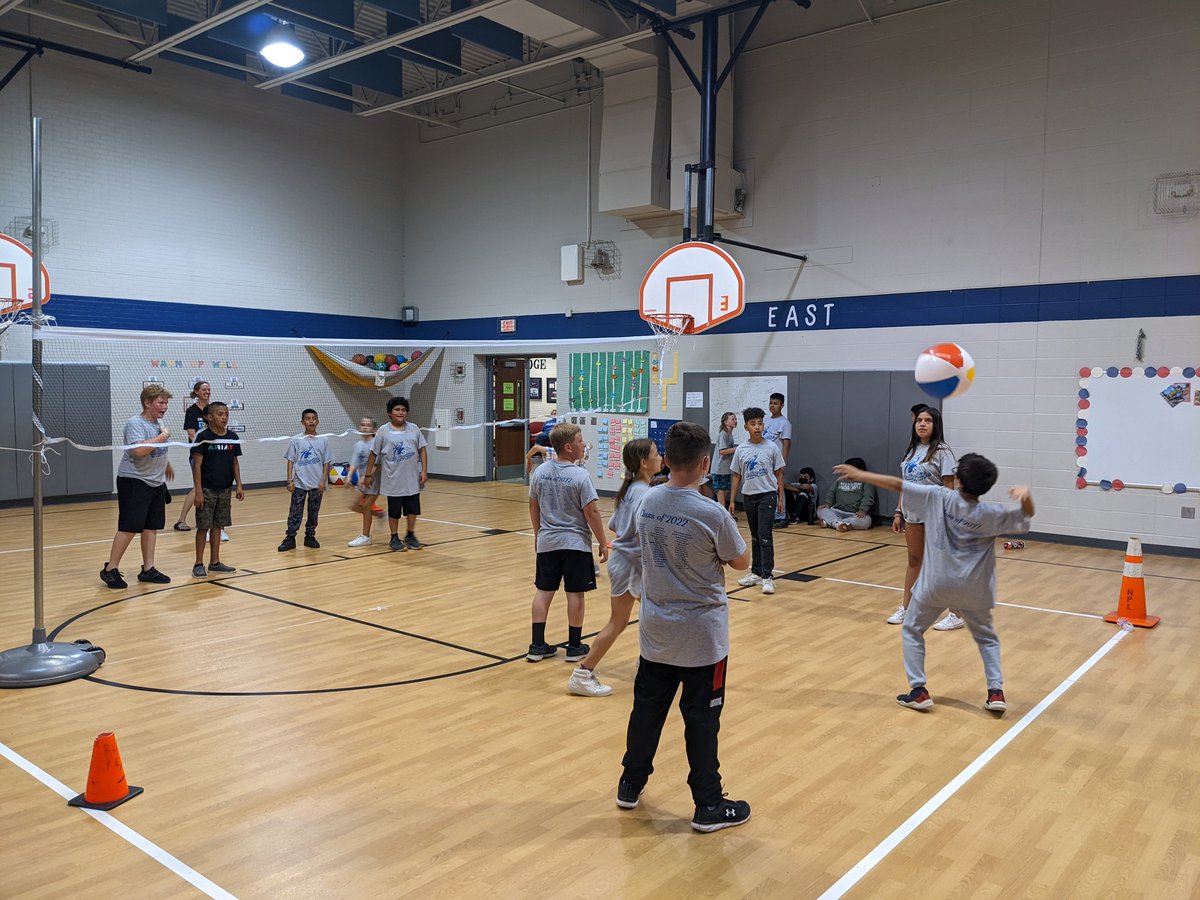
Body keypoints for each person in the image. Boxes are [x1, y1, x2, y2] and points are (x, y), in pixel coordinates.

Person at [616, 421, 752, 832]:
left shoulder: (648, 500)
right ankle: (708, 804)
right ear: (705, 462)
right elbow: (742, 562)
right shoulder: (710, 513)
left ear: (668, 459)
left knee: (646, 712)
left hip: (656, 631)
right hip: (701, 639)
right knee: (702, 721)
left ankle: (630, 783)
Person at [832, 454, 1034, 714]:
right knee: (987, 639)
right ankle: (996, 692)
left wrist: (861, 475)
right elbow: (1027, 515)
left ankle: (918, 691)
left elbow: (898, 485)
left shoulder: (939, 496)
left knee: (913, 630)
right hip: (975, 589)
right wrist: (1026, 496)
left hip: (935, 584)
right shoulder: (991, 514)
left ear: (958, 480)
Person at [567, 437, 661, 697]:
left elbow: (614, 526)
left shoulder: (632, 489)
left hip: (625, 561)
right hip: (632, 565)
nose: (661, 456)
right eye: (656, 453)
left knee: (652, 615)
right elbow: (643, 536)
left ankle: (648, 664)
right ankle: (583, 672)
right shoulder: (645, 493)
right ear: (644, 463)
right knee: (620, 622)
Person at [526, 423, 608, 663]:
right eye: (581, 441)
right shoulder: (580, 475)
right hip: (576, 544)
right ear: (569, 447)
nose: (584, 445)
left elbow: (533, 505)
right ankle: (574, 647)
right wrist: (603, 542)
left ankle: (537, 645)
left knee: (544, 591)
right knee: (575, 593)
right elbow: (592, 511)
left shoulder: (539, 472)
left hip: (548, 542)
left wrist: (537, 534)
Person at [888, 406, 963, 632]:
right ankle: (907, 607)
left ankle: (957, 614)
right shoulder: (911, 450)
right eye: (919, 420)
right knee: (914, 561)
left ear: (935, 424)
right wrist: (898, 511)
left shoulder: (942, 451)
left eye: (928, 420)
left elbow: (950, 486)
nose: (922, 424)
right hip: (912, 514)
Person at [100, 384, 175, 588]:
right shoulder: (135, 423)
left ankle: (148, 569)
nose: (165, 406)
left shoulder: (160, 423)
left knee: (151, 527)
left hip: (155, 482)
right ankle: (110, 569)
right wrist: (162, 437)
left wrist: (166, 465)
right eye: (161, 402)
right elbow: (138, 451)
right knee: (129, 527)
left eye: (166, 402)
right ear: (147, 403)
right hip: (134, 481)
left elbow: (156, 450)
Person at [728, 406, 786, 595]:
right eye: (753, 424)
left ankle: (768, 577)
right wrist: (732, 500)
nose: (757, 427)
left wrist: (780, 496)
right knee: (754, 536)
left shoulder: (772, 448)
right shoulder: (741, 450)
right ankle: (756, 572)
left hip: (767, 495)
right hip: (749, 496)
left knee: (765, 535)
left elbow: (779, 474)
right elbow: (736, 475)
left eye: (760, 423)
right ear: (746, 427)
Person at [362, 396, 428, 551]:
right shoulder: (383, 432)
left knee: (413, 509)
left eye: (403, 410)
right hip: (393, 479)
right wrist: (368, 474)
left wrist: (424, 470)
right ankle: (394, 537)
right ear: (390, 413)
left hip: (412, 478)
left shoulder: (414, 429)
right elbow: (373, 453)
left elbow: (422, 450)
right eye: (397, 409)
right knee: (394, 510)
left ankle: (410, 535)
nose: (401, 412)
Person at [189, 401, 243, 577]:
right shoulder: (203, 436)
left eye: (226, 414)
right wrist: (198, 491)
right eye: (220, 414)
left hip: (225, 488)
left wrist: (239, 485)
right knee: (203, 526)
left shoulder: (233, 437)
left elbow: (235, 462)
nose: (224, 417)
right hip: (206, 489)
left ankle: (215, 562)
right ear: (209, 417)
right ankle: (198, 563)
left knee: (218, 526)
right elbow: (197, 465)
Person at [174, 380, 228, 541]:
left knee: (205, 487)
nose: (207, 391)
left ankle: (213, 527)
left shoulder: (214, 410)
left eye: (209, 389)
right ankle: (184, 521)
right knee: (200, 486)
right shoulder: (191, 411)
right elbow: (192, 434)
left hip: (215, 455)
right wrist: (206, 442)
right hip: (199, 454)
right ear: (196, 392)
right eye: (204, 389)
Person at [278, 408, 331, 551]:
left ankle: (310, 536)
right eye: (308, 418)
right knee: (295, 511)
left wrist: (323, 481)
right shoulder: (296, 440)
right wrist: (290, 480)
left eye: (314, 418)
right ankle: (290, 538)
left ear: (318, 421)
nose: (311, 420)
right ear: (303, 422)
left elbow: (327, 462)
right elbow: (290, 460)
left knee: (314, 511)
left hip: (316, 483)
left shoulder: (323, 440)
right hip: (299, 482)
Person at [346, 417, 382, 547]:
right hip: (362, 481)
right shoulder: (358, 445)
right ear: (359, 428)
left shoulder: (375, 444)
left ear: (373, 429)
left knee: (366, 506)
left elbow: (378, 465)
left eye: (368, 425)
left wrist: (367, 475)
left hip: (374, 481)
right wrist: (349, 476)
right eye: (363, 425)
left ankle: (366, 537)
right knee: (355, 506)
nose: (365, 427)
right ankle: (379, 514)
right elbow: (354, 463)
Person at [817, 457, 876, 531]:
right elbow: (832, 492)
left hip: (855, 514)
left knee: (866, 522)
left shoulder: (866, 480)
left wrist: (862, 510)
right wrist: (827, 503)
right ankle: (838, 523)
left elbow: (868, 497)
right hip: (837, 511)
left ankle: (832, 523)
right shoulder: (840, 479)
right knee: (821, 510)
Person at [765, 393, 792, 527]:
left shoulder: (784, 423)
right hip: (766, 460)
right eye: (771, 403)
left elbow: (786, 443)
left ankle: (780, 516)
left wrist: (783, 461)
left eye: (775, 403)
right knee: (769, 487)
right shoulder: (766, 421)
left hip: (777, 460)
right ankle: (770, 515)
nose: (772, 406)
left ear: (781, 405)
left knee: (779, 487)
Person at [710, 411, 737, 511]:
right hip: (719, 468)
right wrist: (737, 449)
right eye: (732, 419)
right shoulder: (723, 434)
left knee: (725, 490)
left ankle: (722, 511)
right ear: (725, 422)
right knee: (721, 491)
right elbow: (722, 451)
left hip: (726, 468)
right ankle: (723, 513)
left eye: (735, 419)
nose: (735, 421)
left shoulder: (730, 434)